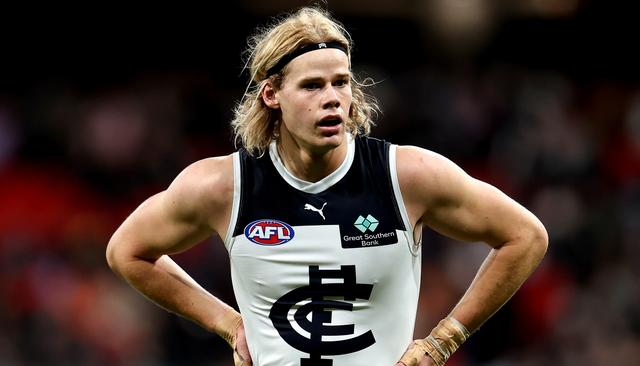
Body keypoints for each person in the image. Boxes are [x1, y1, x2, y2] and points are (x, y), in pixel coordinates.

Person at [106, 6, 548, 366]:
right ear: (271, 95)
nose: (332, 97)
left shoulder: (405, 176)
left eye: (341, 82)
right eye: (313, 86)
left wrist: (443, 341)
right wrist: (226, 323)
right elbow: (126, 251)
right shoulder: (225, 185)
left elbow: (526, 235)